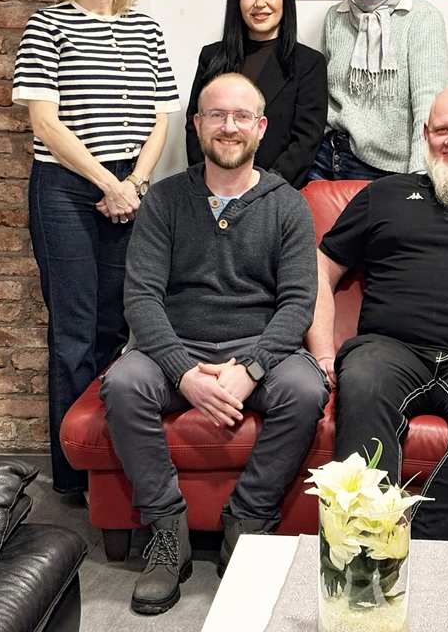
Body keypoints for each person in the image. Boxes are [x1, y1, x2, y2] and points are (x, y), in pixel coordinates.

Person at [99, 73, 328, 614]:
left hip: (258, 348)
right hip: (173, 346)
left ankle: (246, 526)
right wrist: (184, 374)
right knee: (124, 383)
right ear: (198, 125)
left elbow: (297, 303)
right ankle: (166, 534)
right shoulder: (167, 201)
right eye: (217, 116)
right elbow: (142, 300)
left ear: (261, 127)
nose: (230, 127)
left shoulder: (288, 204)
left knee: (304, 390)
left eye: (242, 116)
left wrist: (249, 369)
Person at [307, 86, 448, 540]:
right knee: (364, 384)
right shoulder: (385, 194)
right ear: (426, 134)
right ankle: (367, 541)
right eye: (442, 130)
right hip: (389, 350)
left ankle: (417, 540)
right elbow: (320, 266)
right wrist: (322, 350)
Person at [12, 0, 181, 498]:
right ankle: (73, 479)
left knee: (116, 327)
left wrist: (134, 182)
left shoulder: (146, 27)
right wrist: (106, 184)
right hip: (64, 187)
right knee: (75, 330)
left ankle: (109, 463)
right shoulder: (48, 25)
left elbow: (162, 118)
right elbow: (44, 121)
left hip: (130, 190)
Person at [309, 0, 448, 181]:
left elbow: (428, 104)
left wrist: (420, 175)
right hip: (326, 160)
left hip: (386, 169)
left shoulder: (422, 18)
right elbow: (323, 97)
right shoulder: (335, 17)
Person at [183, 0, 327, 188]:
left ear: (285, 0)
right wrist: (210, 183)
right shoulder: (212, 57)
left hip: (275, 193)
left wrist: (262, 191)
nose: (259, 3)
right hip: (213, 190)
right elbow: (195, 127)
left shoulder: (309, 64)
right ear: (237, 2)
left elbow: (306, 142)